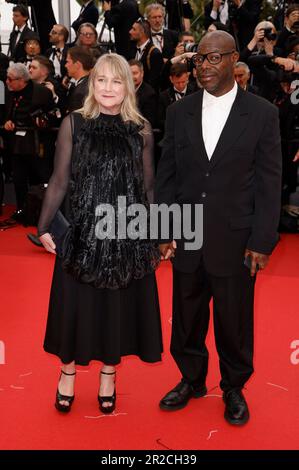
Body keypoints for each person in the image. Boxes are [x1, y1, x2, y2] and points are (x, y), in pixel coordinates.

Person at [155, 31, 282, 425]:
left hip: (237, 237)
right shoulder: (180, 112)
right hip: (188, 235)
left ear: (233, 60)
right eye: (199, 61)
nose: (203, 67)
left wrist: (262, 239)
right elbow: (167, 175)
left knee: (234, 320)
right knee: (188, 314)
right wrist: (164, 229)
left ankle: (233, 387)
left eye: (213, 59)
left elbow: (269, 180)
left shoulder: (262, 113)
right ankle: (191, 380)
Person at [37, 53, 162, 414]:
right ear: (92, 85)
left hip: (125, 234)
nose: (108, 88)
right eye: (101, 80)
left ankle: (109, 374)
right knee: (74, 306)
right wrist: (44, 226)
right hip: (80, 234)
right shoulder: (73, 124)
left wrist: (154, 235)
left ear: (129, 85)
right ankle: (68, 373)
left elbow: (149, 188)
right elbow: (59, 180)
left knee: (114, 309)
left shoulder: (141, 130)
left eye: (116, 80)